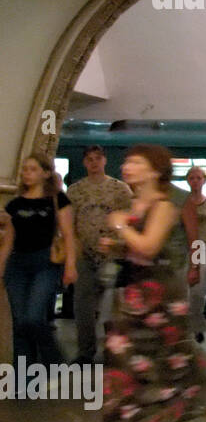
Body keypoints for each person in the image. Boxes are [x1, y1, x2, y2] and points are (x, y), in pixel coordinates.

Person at [76, 144, 206, 422]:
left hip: (161, 295)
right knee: (119, 364)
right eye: (127, 161)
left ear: (154, 170)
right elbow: (132, 249)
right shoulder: (131, 204)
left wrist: (119, 227)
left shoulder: (164, 206)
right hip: (130, 295)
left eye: (136, 162)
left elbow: (149, 246)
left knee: (180, 361)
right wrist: (115, 245)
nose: (127, 167)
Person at [0, 153, 77, 364]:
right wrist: (1, 267)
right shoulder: (14, 204)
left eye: (33, 169)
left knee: (34, 317)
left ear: (45, 173)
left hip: (45, 262)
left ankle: (54, 359)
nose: (27, 174)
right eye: (25, 169)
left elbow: (68, 234)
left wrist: (71, 266)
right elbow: (9, 240)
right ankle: (23, 375)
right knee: (20, 321)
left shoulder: (57, 199)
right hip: (17, 264)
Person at [67, 146, 132, 364]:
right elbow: (70, 224)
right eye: (89, 159)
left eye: (97, 159)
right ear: (85, 163)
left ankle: (112, 350)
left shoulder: (120, 189)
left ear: (104, 161)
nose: (94, 163)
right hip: (84, 253)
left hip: (111, 254)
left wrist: (119, 243)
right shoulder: (75, 191)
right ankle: (85, 351)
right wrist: (73, 253)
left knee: (111, 307)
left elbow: (128, 220)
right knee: (83, 305)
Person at [179, 166, 206, 346]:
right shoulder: (181, 202)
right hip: (184, 248)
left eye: (199, 178)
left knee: (198, 291)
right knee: (183, 291)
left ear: (204, 181)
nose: (195, 181)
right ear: (187, 180)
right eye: (192, 178)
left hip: (201, 247)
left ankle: (196, 324)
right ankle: (186, 328)